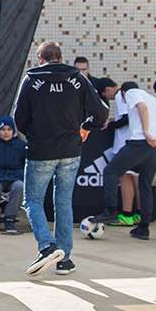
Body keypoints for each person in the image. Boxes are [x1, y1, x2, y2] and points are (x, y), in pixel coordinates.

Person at [13, 41, 108, 276]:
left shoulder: (31, 80)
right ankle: (64, 259)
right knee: (63, 201)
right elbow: (102, 112)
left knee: (33, 200)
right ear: (60, 57)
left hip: (41, 150)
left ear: (41, 58)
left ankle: (47, 246)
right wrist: (86, 126)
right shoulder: (78, 79)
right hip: (71, 150)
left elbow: (19, 118)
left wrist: (34, 135)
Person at [98, 79, 156, 240]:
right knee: (145, 184)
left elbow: (141, 108)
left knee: (110, 171)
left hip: (142, 142)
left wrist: (146, 132)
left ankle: (110, 211)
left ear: (122, 91)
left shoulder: (130, 92)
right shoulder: (153, 100)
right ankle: (143, 228)